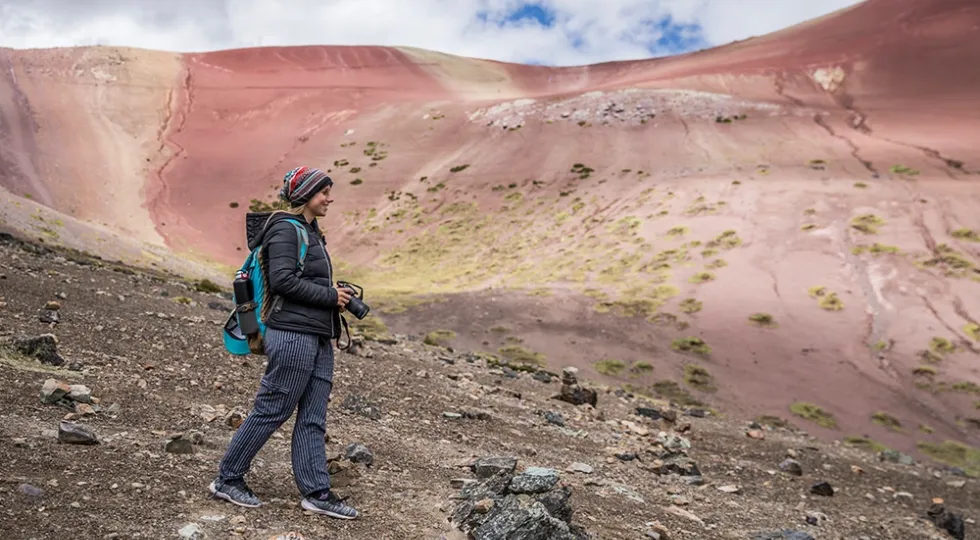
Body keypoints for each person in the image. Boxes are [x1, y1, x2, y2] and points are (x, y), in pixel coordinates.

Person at [208, 165, 358, 520]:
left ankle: (317, 492)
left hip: (318, 336)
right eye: (324, 192)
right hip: (291, 335)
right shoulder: (284, 229)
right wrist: (328, 296)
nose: (329, 198)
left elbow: (300, 281)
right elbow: (283, 281)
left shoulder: (310, 231)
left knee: (313, 417)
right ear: (306, 194)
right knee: (273, 409)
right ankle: (227, 479)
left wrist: (336, 295)